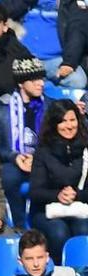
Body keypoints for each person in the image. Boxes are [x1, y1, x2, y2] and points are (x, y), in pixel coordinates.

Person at [29, 99, 88, 264]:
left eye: (72, 120)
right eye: (63, 121)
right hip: (47, 210)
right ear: (54, 123)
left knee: (84, 229)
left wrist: (77, 194)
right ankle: (60, 272)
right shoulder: (43, 151)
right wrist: (58, 195)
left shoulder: (85, 149)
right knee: (58, 232)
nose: (69, 126)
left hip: (80, 207)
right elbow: (35, 192)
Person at [0, 56, 48, 229]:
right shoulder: (0, 109)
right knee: (8, 176)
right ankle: (19, 226)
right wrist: (14, 156)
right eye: (35, 79)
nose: (41, 84)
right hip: (13, 161)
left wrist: (37, 159)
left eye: (42, 78)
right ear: (21, 83)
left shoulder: (51, 107)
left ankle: (42, 224)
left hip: (43, 161)